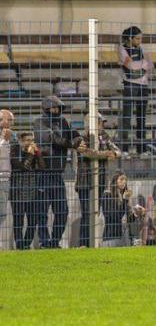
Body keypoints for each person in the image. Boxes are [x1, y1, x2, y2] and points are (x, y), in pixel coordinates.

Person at [33, 96, 81, 248]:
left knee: (62, 210)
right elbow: (51, 138)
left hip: (58, 174)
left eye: (58, 108)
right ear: (46, 108)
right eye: (53, 108)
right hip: (43, 172)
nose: (56, 111)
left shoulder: (63, 121)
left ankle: (54, 241)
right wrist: (70, 144)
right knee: (42, 212)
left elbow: (72, 133)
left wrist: (78, 138)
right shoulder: (39, 122)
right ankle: (43, 241)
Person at [75, 113, 121, 247]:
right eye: (100, 122)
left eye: (102, 123)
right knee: (87, 214)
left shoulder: (105, 136)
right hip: (85, 182)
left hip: (100, 180)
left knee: (96, 213)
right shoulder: (81, 138)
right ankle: (83, 243)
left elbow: (117, 150)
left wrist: (114, 154)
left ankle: (94, 242)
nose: (102, 125)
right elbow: (87, 153)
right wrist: (106, 154)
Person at [118, 25, 154, 158]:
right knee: (127, 118)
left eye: (141, 38)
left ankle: (141, 149)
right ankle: (124, 148)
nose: (140, 41)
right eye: (137, 38)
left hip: (143, 86)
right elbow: (130, 67)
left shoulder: (142, 48)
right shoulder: (122, 49)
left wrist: (138, 67)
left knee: (141, 118)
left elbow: (149, 64)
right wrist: (141, 66)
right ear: (130, 38)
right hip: (130, 85)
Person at [10, 132, 44, 250]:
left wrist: (38, 153)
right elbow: (23, 167)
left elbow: (42, 168)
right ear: (21, 141)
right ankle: (19, 246)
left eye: (32, 140)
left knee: (33, 220)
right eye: (27, 140)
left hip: (32, 191)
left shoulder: (33, 153)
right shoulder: (15, 151)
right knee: (18, 221)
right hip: (17, 192)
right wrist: (30, 155)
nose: (30, 142)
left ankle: (26, 244)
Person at [101, 171, 146, 247]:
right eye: (121, 179)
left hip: (126, 236)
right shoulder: (107, 195)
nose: (124, 182)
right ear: (115, 181)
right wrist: (125, 200)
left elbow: (129, 219)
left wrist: (137, 213)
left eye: (125, 180)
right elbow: (115, 216)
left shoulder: (124, 197)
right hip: (112, 236)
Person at [0, 109, 14, 249]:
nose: (11, 123)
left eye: (11, 120)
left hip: (6, 180)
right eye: (8, 120)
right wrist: (4, 141)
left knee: (2, 213)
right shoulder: (5, 138)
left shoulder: (12, 137)